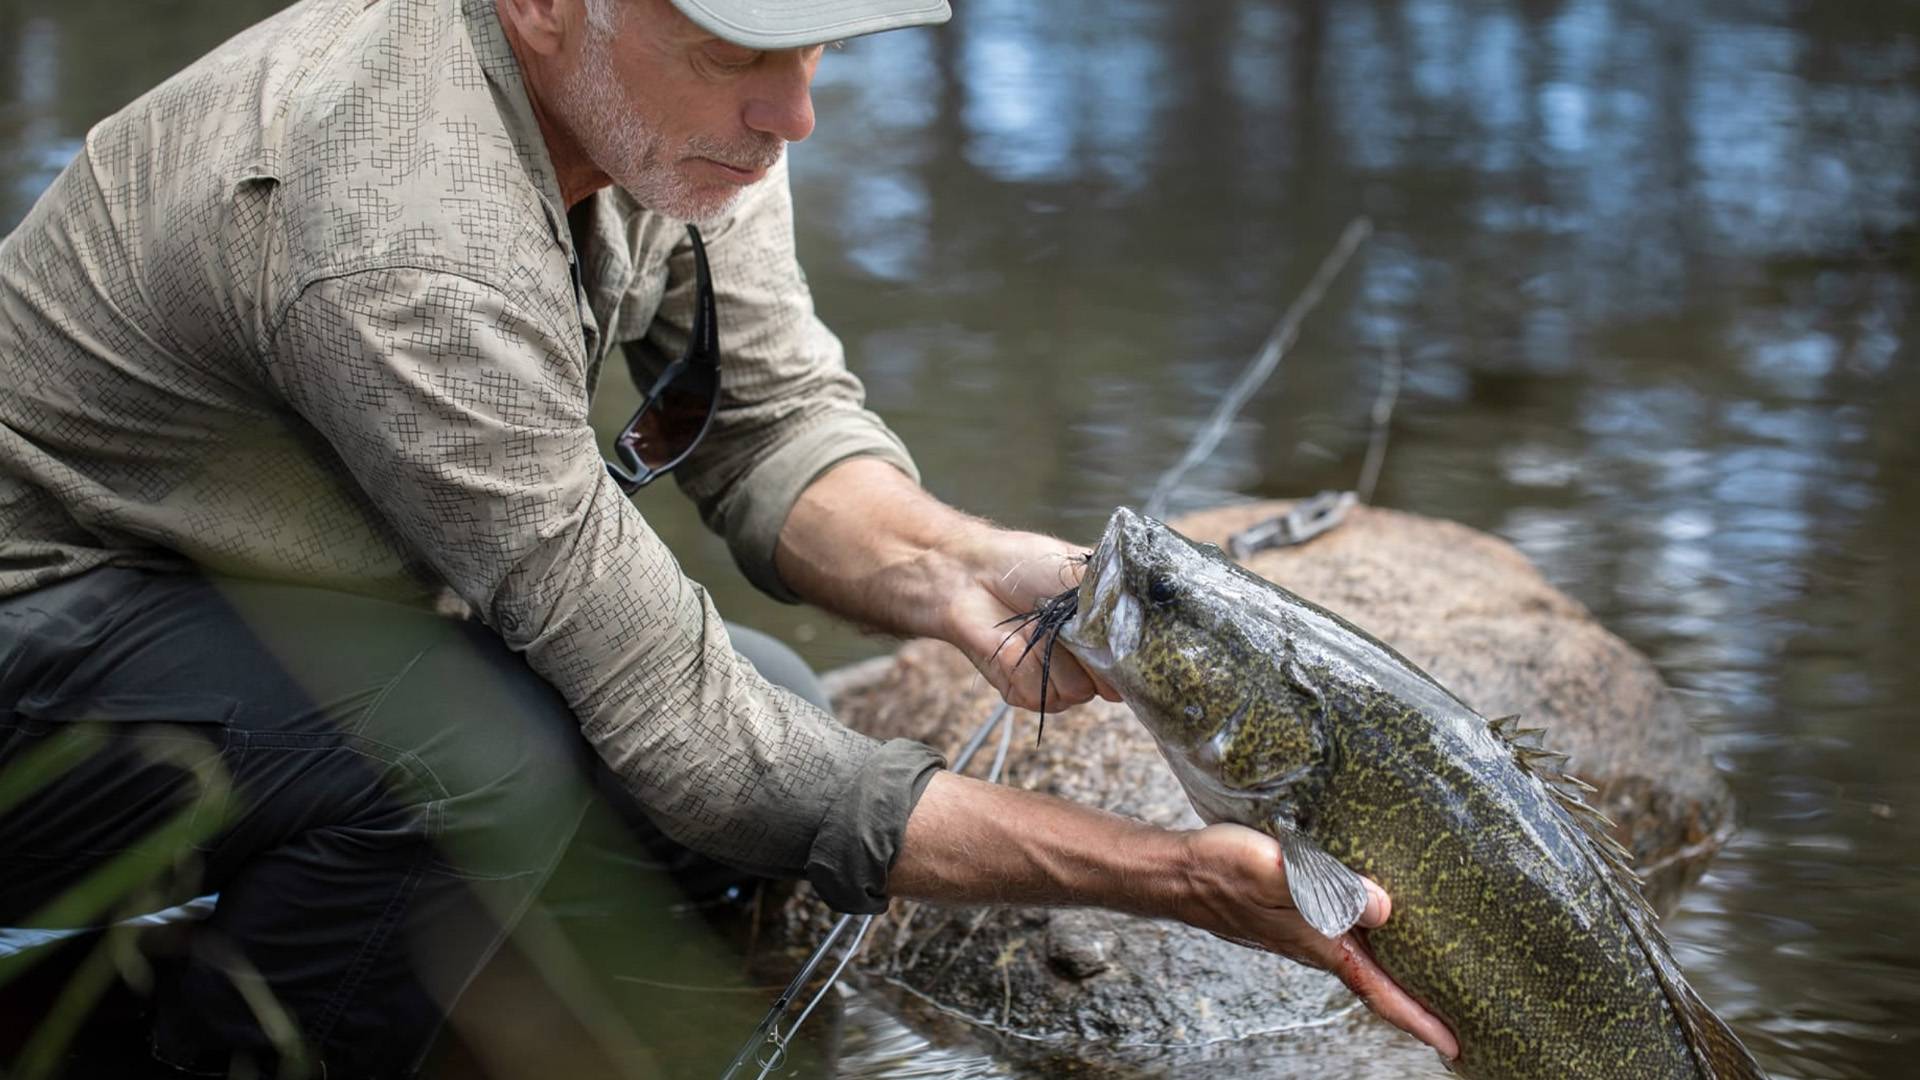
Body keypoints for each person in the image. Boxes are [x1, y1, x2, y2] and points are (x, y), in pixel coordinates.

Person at [0, 0, 1459, 1073]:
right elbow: (695, 751)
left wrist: (964, 572)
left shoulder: (666, 116)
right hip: (45, 645)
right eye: (741, 52)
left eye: (817, 50)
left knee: (758, 689)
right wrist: (1176, 878)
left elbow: (768, 427)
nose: (796, 115)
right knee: (468, 745)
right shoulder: (394, 227)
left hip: (247, 623)